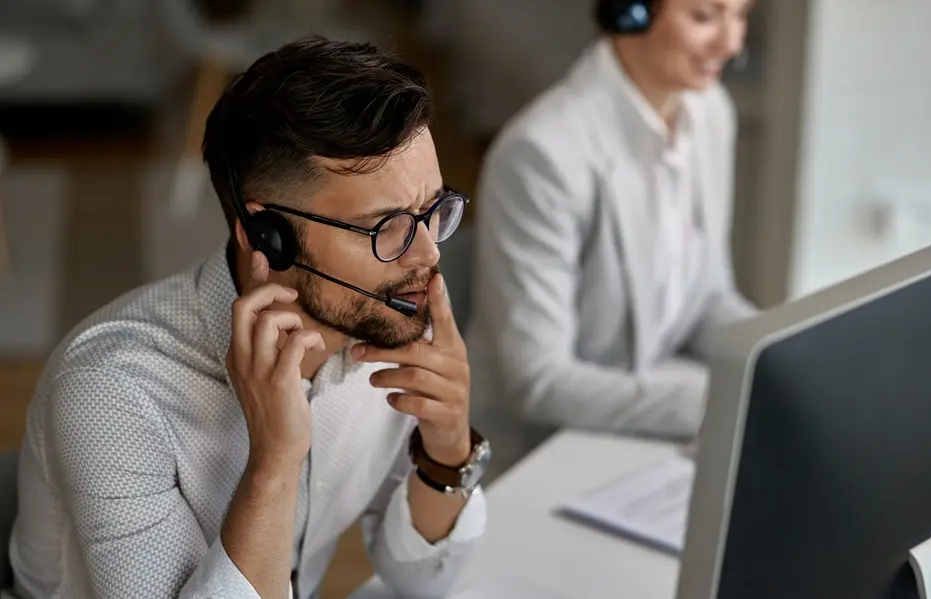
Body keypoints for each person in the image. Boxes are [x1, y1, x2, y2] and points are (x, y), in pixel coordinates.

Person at [8, 36, 490, 599]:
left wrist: (447, 448)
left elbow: (423, 583)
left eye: (432, 211)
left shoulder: (386, 321)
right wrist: (274, 462)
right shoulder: (112, 394)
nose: (427, 254)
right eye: (385, 227)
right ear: (267, 235)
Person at [466, 0, 758, 449]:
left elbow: (707, 298)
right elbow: (537, 380)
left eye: (741, 15)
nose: (732, 43)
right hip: (542, 450)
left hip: (641, 422)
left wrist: (779, 358)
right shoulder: (543, 153)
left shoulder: (711, 112)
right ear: (630, 10)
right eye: (704, 16)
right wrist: (716, 403)